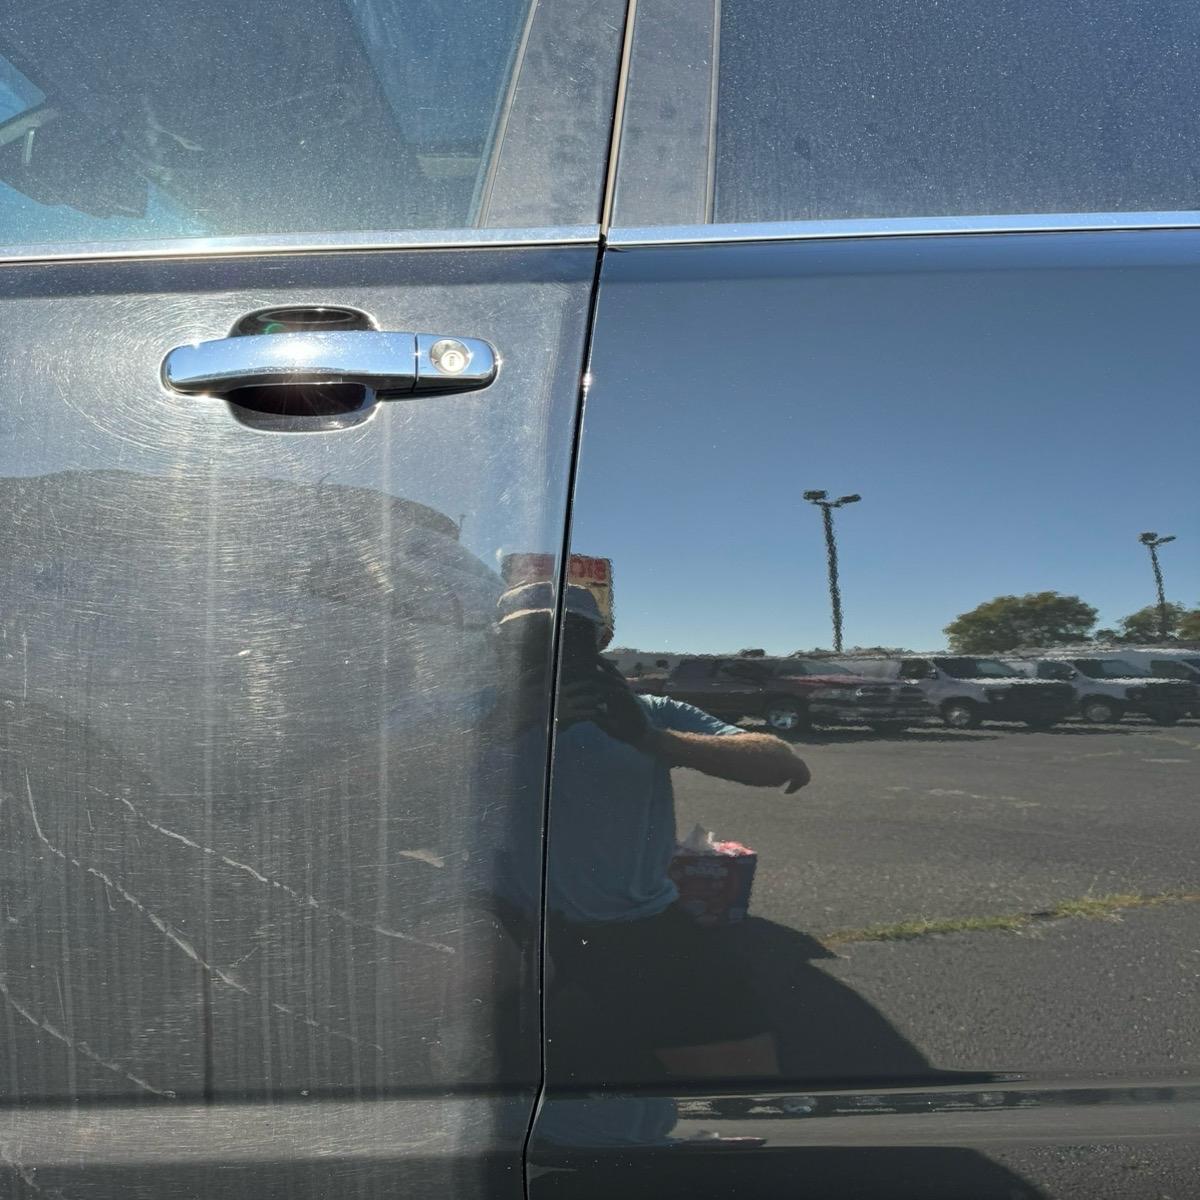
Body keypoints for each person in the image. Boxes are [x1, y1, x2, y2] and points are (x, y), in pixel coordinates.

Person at [496, 583, 811, 1082]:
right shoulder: (471, 711)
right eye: (535, 638)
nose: (554, 652)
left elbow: (783, 764)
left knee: (746, 1077)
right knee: (446, 982)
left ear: (601, 642)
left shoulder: (647, 711)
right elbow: (366, 780)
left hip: (633, 919)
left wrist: (650, 739)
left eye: (570, 638)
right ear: (502, 646)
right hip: (504, 912)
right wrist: (499, 722)